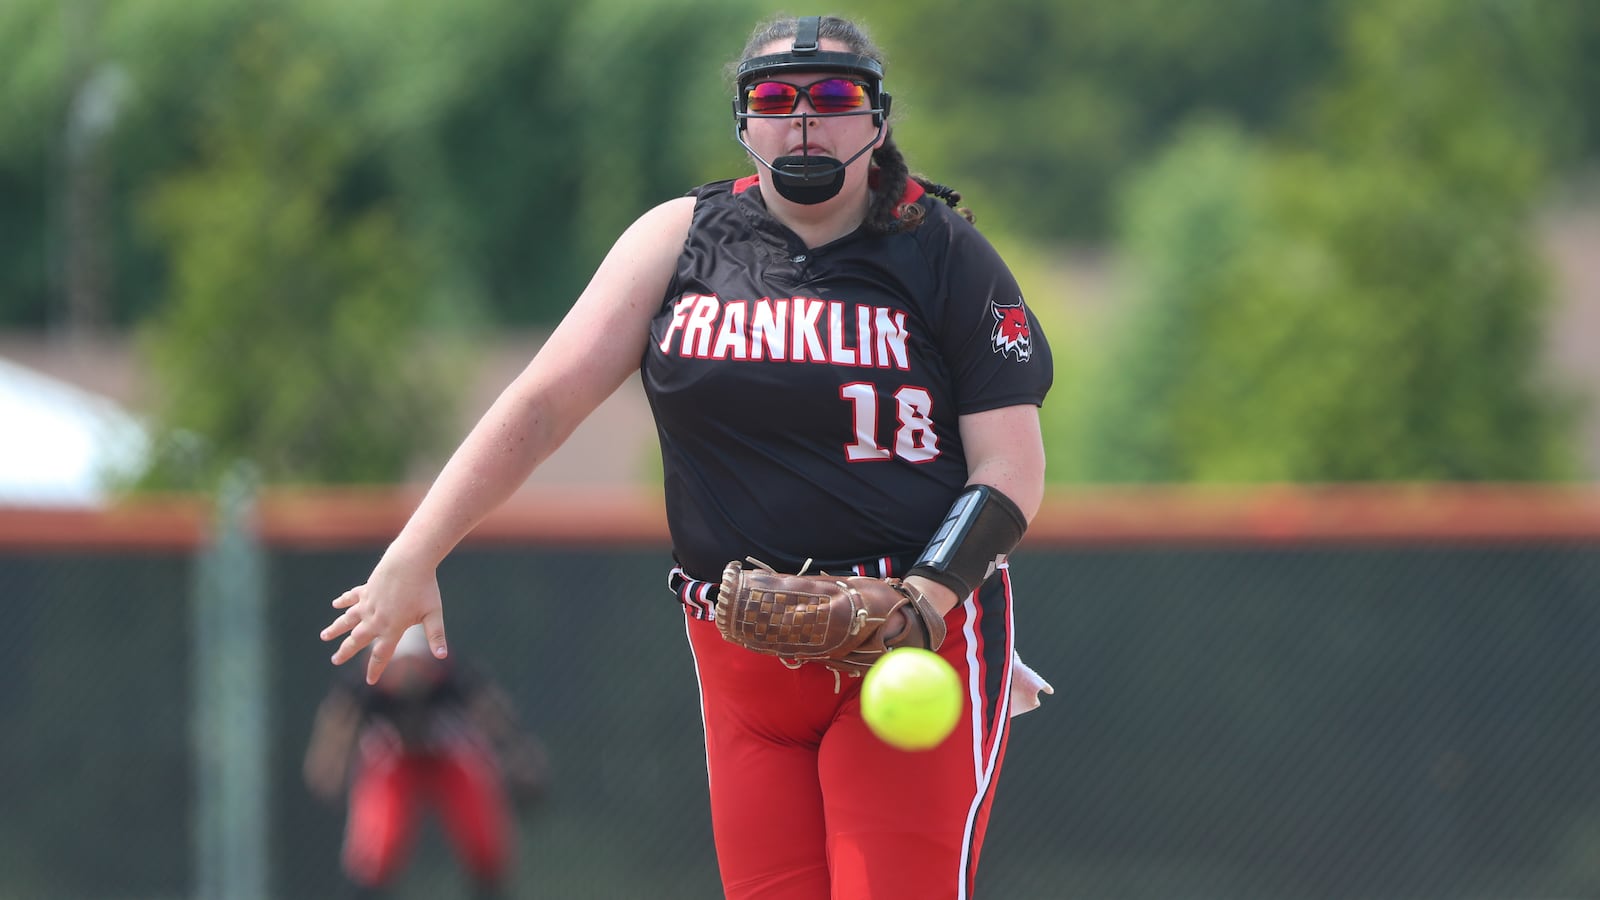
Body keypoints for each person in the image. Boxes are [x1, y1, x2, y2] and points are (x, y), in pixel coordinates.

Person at [321, 13, 1053, 899]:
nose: (804, 119)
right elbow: (544, 404)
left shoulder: (944, 253)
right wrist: (418, 547)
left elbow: (1010, 470)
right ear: (744, 122)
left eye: (834, 97)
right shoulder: (680, 240)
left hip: (906, 645)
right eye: (775, 99)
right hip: (742, 660)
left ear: (878, 121)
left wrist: (924, 602)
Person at [303, 625, 548, 899]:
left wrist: (517, 757)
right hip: (395, 763)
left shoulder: (453, 679)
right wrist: (329, 768)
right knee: (374, 849)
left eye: (414, 664)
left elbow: (492, 716)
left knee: (484, 842)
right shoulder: (366, 688)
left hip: (448, 758)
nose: (408, 676)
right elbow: (338, 723)